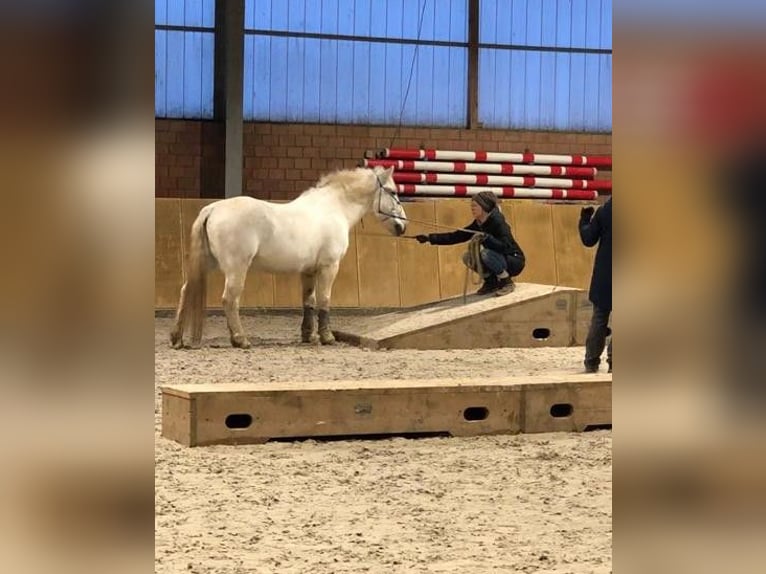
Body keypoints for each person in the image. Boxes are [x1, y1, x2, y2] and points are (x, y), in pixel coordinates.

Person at [415, 191, 525, 296]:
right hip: (497, 258)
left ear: (484, 207)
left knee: (486, 254)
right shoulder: (478, 224)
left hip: (514, 260)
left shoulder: (498, 222)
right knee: (468, 257)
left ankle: (506, 282)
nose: (472, 209)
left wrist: (487, 239)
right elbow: (456, 236)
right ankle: (491, 282)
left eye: (475, 206)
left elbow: (506, 246)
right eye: (471, 206)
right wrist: (430, 238)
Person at [579, 197, 612, 373]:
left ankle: (591, 361)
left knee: (599, 318)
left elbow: (588, 239)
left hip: (605, 274)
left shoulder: (605, 210)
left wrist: (585, 219)